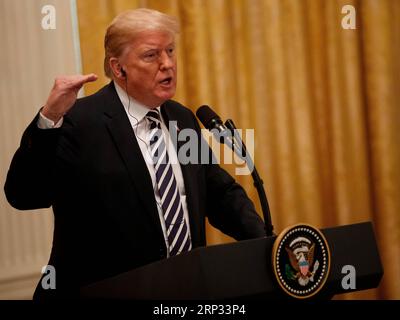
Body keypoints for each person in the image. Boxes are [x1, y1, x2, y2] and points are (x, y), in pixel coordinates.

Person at [4, 8, 265, 300]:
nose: (167, 64)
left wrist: (267, 246)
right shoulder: (80, 121)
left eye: (170, 50)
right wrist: (49, 118)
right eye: (151, 55)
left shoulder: (183, 120)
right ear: (118, 68)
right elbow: (24, 194)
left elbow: (220, 195)